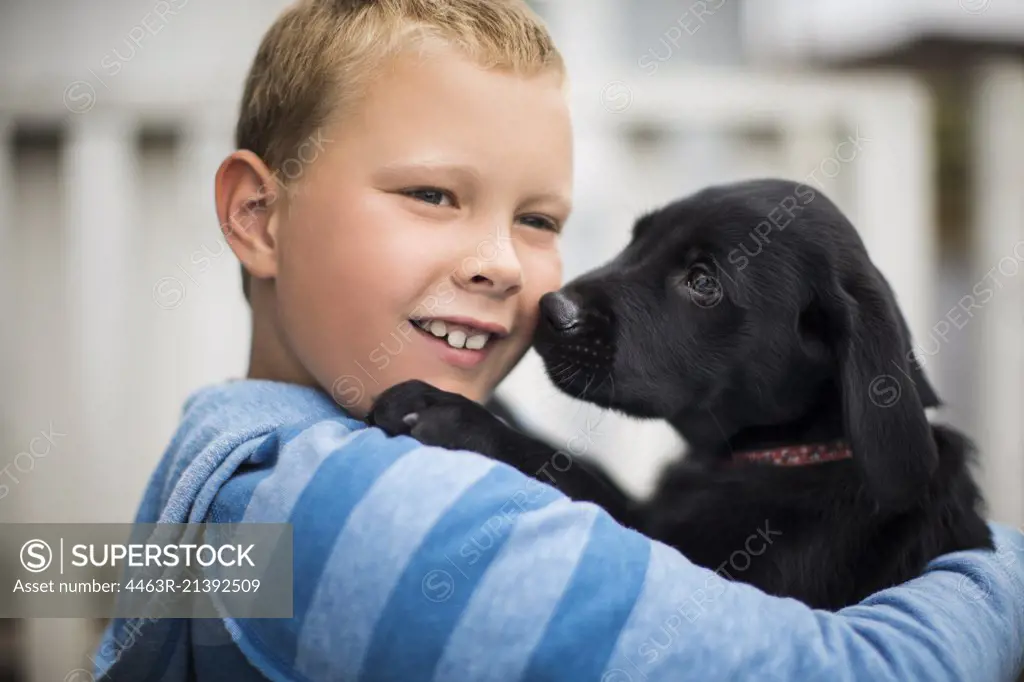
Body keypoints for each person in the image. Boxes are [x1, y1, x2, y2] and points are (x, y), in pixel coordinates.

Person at [93, 0, 1024, 680]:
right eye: (431, 194)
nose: (502, 262)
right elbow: (861, 671)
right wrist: (1000, 574)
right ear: (259, 215)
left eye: (538, 219)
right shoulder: (364, 516)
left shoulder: (240, 468)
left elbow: (101, 577)